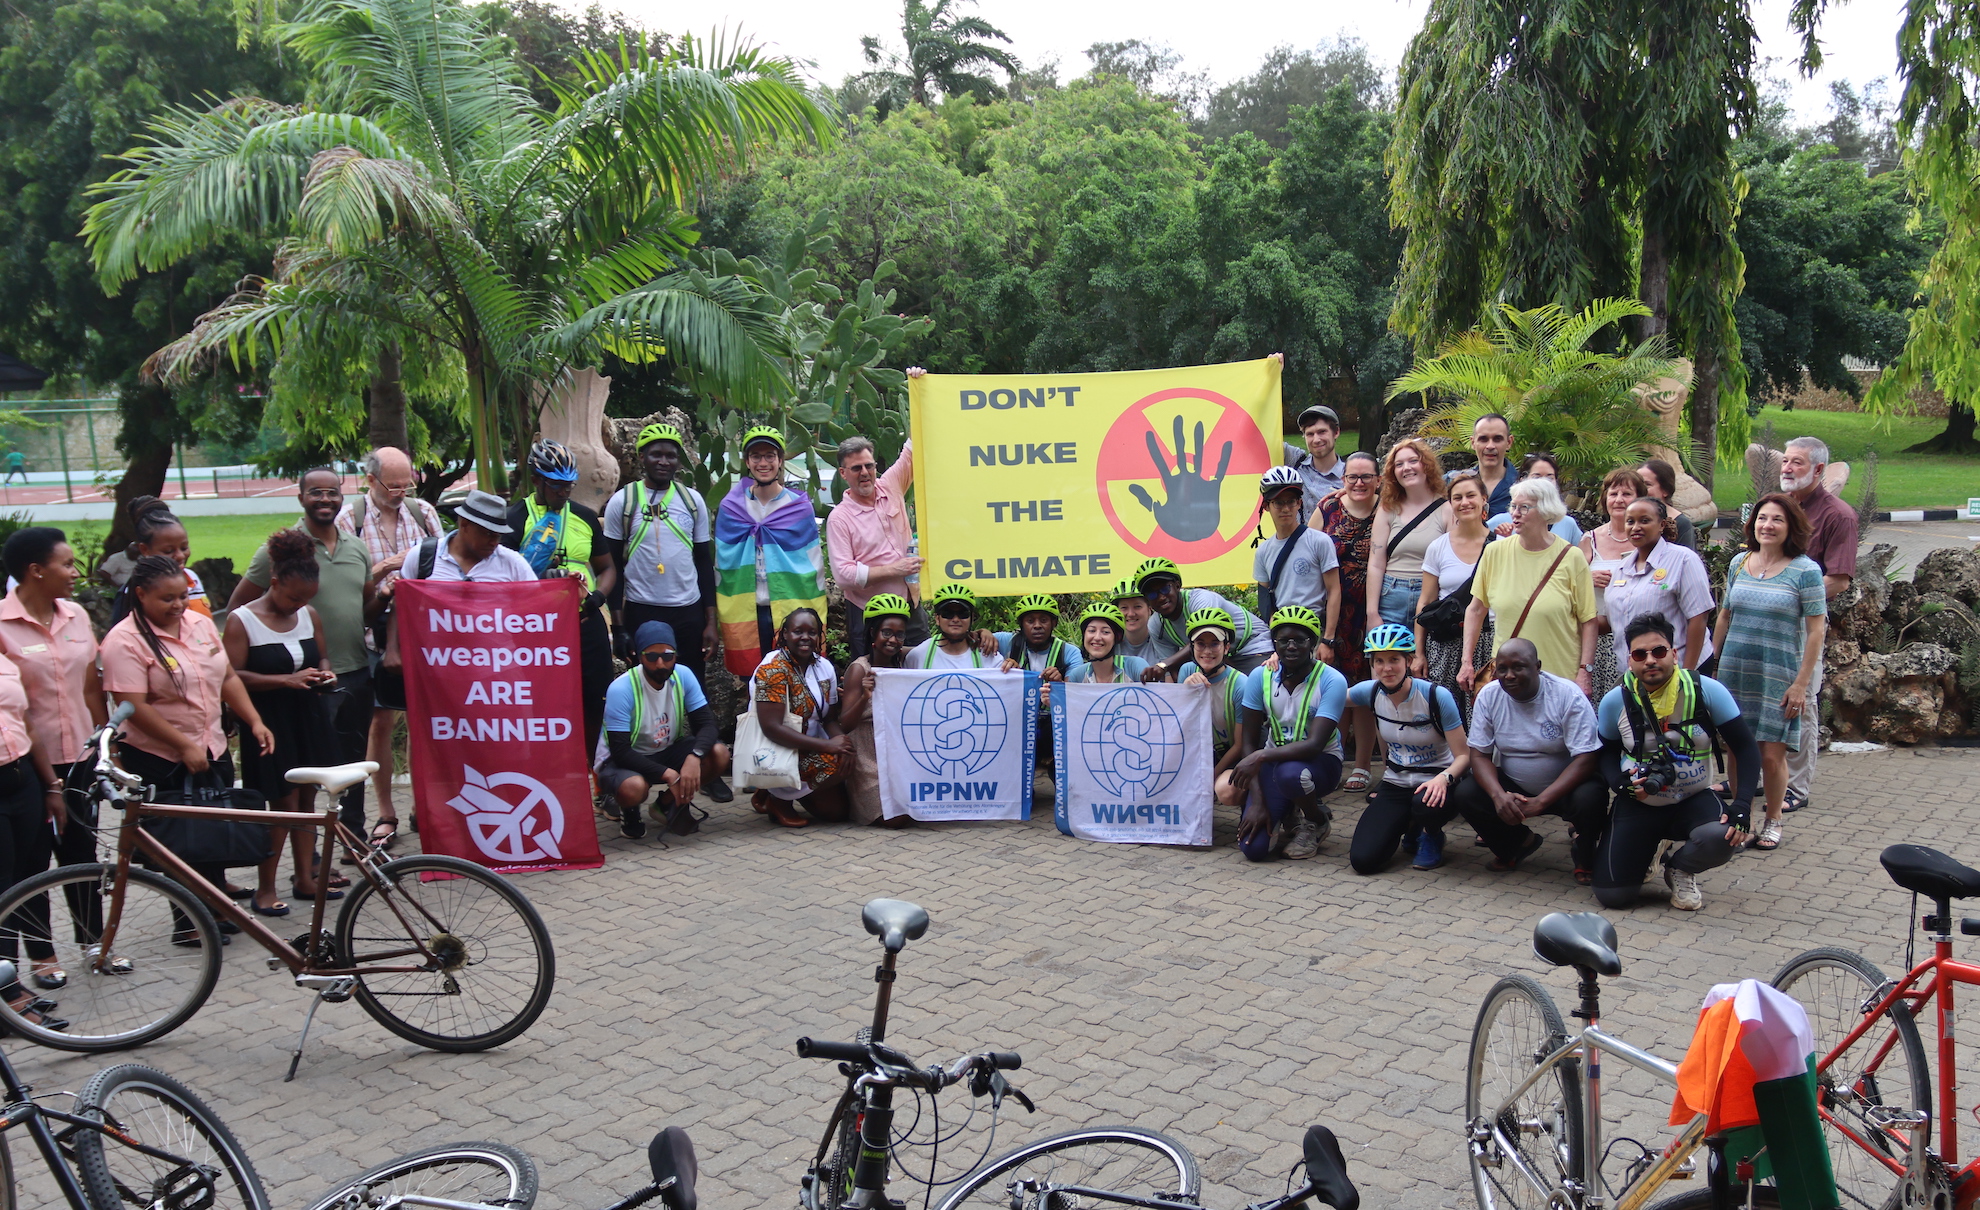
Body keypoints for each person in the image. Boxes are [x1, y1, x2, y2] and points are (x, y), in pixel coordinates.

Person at [101, 555, 276, 946]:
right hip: (160, 757)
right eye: (167, 599)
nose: (178, 605)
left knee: (213, 832)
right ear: (141, 594)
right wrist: (182, 745)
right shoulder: (124, 641)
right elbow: (134, 705)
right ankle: (189, 921)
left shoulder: (199, 624)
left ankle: (215, 908)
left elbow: (226, 675)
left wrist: (253, 721)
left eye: (182, 596)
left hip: (211, 747)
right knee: (181, 843)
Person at [227, 467, 378, 856]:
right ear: (301, 498)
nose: (325, 499)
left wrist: (388, 594)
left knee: (348, 769)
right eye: (316, 493)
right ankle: (305, 862)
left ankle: (350, 842)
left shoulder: (356, 546)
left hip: (351, 672)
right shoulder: (278, 552)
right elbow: (238, 607)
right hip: (294, 696)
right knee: (299, 785)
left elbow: (365, 607)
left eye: (333, 492)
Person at [1593, 615, 1759, 911]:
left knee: (1723, 835)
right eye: (1639, 654)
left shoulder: (1706, 691)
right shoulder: (1615, 701)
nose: (1650, 661)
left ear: (1674, 653)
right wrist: (1620, 785)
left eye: (1658, 651)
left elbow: (1745, 748)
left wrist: (1743, 805)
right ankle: (1650, 848)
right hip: (1640, 803)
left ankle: (1681, 868)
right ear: (1630, 661)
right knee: (1614, 897)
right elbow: (1604, 752)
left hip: (1693, 799)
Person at [223, 529, 341, 913]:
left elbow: (321, 657)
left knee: (307, 798)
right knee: (282, 803)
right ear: (273, 582)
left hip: (307, 716)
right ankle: (265, 888)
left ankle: (305, 878)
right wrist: (284, 680)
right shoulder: (242, 621)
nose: (299, 605)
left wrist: (326, 673)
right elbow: (231, 676)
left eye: (307, 598)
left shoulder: (307, 614)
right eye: (292, 597)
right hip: (268, 722)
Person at [337, 446, 446, 847]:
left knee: (422, 722)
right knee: (380, 723)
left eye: (407, 485)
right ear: (370, 481)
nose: (400, 492)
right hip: (371, 634)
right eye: (392, 486)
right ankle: (385, 812)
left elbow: (445, 562)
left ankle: (424, 804)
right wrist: (386, 568)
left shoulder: (423, 513)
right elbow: (345, 578)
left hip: (420, 634)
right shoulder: (350, 518)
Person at [1710, 493, 1827, 852]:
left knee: (1771, 755)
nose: (1768, 525)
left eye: (1777, 519)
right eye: (1762, 518)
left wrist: (1801, 684)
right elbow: (1725, 615)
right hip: (1734, 670)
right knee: (1734, 748)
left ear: (1791, 526)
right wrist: (1714, 669)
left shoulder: (1805, 570)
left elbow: (1816, 630)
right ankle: (1737, 816)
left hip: (1779, 675)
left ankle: (1773, 819)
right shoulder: (1739, 562)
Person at [0, 528, 107, 915]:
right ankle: (44, 958)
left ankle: (95, 945)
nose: (75, 571)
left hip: (80, 756)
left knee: (82, 855)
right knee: (32, 863)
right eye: (66, 564)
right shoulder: (1, 625)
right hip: (27, 764)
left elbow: (91, 688)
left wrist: (107, 740)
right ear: (36, 571)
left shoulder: (77, 615)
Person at [1450, 638, 1607, 883]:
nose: (1509, 675)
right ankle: (1517, 844)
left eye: (1518, 667)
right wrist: (1498, 796)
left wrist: (1542, 801)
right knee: (1467, 793)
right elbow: (1479, 755)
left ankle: (1585, 855)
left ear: (1538, 667)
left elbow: (1586, 758)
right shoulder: (1489, 696)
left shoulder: (1567, 695)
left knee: (1592, 796)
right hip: (1515, 785)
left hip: (1565, 787)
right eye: (1502, 668)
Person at [510, 440, 621, 774]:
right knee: (543, 705)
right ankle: (550, 774)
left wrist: (598, 598)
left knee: (595, 702)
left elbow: (607, 568)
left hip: (584, 622)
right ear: (537, 480)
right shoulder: (515, 519)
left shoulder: (584, 517)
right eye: (556, 486)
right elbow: (500, 575)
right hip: (537, 631)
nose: (563, 493)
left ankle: (599, 775)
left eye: (568, 486)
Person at [1345, 624, 1470, 873]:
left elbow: (1465, 756)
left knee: (1424, 803)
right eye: (1379, 661)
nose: (1386, 668)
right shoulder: (1369, 692)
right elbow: (1323, 690)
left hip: (1437, 784)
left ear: (1409, 661)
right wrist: (1277, 664)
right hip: (1396, 782)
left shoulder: (1436, 696)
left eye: (1394, 660)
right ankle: (1410, 825)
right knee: (1363, 860)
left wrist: (1443, 779)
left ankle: (1431, 834)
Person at [1461, 478, 1598, 701]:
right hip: (1509, 680)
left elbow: (1588, 620)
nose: (1515, 513)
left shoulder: (1571, 557)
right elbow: (1476, 610)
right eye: (1513, 506)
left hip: (1560, 679)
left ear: (1546, 511)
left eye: (1524, 507)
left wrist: (1585, 671)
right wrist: (1466, 662)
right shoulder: (1494, 552)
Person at [1230, 606, 1348, 861]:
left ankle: (1316, 821)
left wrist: (1260, 757)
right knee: (1254, 849)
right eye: (1284, 640)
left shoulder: (1331, 680)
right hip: (1273, 761)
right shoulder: (1260, 676)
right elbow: (1249, 743)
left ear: (1313, 643)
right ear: (1274, 643)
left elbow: (1315, 744)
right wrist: (1258, 801)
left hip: (1319, 764)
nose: (1291, 646)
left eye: (1299, 640)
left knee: (1291, 774)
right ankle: (1286, 811)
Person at [601, 424, 715, 688]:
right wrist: (619, 628)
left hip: (688, 610)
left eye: (671, 456)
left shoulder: (692, 501)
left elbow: (703, 562)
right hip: (642, 609)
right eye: (656, 455)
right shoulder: (623, 501)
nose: (664, 462)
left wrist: (711, 623)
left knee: (691, 683)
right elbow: (612, 565)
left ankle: (695, 730)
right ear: (642, 457)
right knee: (647, 685)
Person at [379, 490, 537, 675]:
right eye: (488, 534)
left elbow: (537, 608)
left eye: (499, 535)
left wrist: (567, 591)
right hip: (438, 670)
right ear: (464, 525)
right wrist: (392, 649)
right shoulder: (423, 556)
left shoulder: (512, 563)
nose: (494, 541)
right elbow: (400, 604)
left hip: (498, 672)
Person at [1779, 436, 1856, 814]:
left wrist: (1788, 597)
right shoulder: (1776, 507)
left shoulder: (1837, 515)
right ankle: (1761, 777)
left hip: (1802, 625)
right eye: (1786, 461)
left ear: (1819, 470)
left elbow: (1839, 579)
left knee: (1801, 702)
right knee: (1761, 699)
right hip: (1762, 622)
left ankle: (1796, 786)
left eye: (1797, 462)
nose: (1787, 468)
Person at [598, 621, 730, 841]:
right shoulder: (622, 688)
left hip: (665, 749)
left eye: (668, 656)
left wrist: (694, 757)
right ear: (639, 656)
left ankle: (666, 804)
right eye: (651, 657)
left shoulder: (683, 675)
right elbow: (620, 750)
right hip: (624, 759)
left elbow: (707, 724)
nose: (660, 664)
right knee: (634, 787)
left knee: (719, 753)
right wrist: (669, 775)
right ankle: (629, 811)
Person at [715, 426, 826, 674]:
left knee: (795, 675)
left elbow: (813, 563)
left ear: (780, 461)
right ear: (747, 461)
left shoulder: (798, 508)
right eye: (756, 456)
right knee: (752, 679)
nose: (763, 462)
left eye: (769, 456)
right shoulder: (731, 507)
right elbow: (723, 563)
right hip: (746, 608)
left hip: (791, 607)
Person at [0, 646, 70, 1032]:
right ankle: (7, 997)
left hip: (22, 777)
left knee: (28, 878)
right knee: (2, 890)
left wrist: (51, 785)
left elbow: (25, 723)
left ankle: (12, 985)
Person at [826, 435, 926, 660]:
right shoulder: (839, 518)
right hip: (868, 615)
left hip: (910, 606)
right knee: (872, 680)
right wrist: (895, 569)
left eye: (869, 466)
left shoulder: (891, 485)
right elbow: (843, 575)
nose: (864, 472)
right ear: (843, 473)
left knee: (923, 669)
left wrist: (925, 402)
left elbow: (913, 450)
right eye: (856, 468)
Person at [749, 607, 851, 828]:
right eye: (798, 631)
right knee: (833, 762)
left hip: (808, 747)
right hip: (774, 749)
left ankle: (775, 791)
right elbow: (771, 728)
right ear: (785, 634)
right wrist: (828, 747)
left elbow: (829, 719)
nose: (806, 637)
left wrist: (843, 745)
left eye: (812, 632)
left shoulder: (823, 667)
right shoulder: (772, 668)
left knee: (837, 812)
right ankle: (778, 800)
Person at [1603, 497, 1714, 671]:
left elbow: (1699, 617)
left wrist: (1689, 674)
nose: (1636, 527)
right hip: (1636, 672)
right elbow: (1612, 620)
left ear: (1662, 525)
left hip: (1678, 668)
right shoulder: (1621, 568)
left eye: (1644, 521)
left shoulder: (1683, 559)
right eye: (1630, 521)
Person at [1414, 471, 1493, 716]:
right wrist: (1419, 654)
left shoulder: (1500, 544)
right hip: (1446, 641)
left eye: (1471, 495)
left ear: (1483, 500)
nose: (1464, 502)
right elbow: (1425, 602)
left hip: (1489, 639)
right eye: (1457, 498)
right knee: (1444, 714)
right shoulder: (1438, 547)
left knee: (1484, 712)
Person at [839, 594, 914, 827]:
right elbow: (845, 724)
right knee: (896, 819)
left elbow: (936, 647)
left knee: (920, 809)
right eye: (887, 633)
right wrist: (864, 697)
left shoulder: (902, 660)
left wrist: (978, 635)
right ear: (873, 632)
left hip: (897, 756)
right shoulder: (859, 670)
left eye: (899, 634)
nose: (893, 640)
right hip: (867, 757)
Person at [1135, 558, 1273, 679]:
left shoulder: (1200, 600)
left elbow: (1203, 639)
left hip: (1252, 646)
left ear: (1177, 585)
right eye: (1152, 594)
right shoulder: (1156, 625)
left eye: (1165, 589)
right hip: (1220, 656)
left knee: (1252, 690)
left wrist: (1163, 665)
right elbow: (1173, 666)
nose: (1161, 597)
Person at [1365, 439, 1449, 630]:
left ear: (1426, 465)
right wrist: (1372, 613)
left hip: (1430, 598)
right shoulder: (1388, 509)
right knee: (1388, 658)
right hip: (1391, 596)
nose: (1406, 468)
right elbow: (1376, 564)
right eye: (1399, 464)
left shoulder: (1446, 509)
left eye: (1413, 461)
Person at [1315, 450, 1380, 694]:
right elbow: (1308, 551)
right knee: (1334, 687)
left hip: (1374, 612)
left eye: (1366, 477)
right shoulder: (1328, 506)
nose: (1359, 483)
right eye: (1352, 477)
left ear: (1379, 480)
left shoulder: (1390, 507)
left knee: (1369, 687)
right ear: (1343, 480)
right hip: (1334, 613)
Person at [1579, 468, 1645, 701]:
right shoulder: (1590, 539)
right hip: (1595, 640)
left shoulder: (1648, 540)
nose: (1618, 499)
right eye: (1613, 493)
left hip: (1637, 640)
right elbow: (1566, 583)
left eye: (1626, 493)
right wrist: (1587, 579)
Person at [1253, 468, 1341, 643]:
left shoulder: (1319, 541)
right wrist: (1275, 638)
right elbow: (1265, 599)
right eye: (1278, 503)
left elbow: (1334, 590)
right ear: (1266, 506)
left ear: (1299, 503)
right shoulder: (1263, 551)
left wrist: (1328, 639)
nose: (1286, 509)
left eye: (1291, 502)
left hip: (1314, 631)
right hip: (1283, 634)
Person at [1177, 608, 1249, 817]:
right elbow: (1177, 727)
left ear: (1226, 647)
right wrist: (1185, 692)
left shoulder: (1239, 684)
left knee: (1226, 790)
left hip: (1231, 755)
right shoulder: (1186, 671)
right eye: (1201, 644)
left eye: (1214, 644)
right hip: (1200, 754)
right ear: (1192, 647)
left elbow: (1239, 745)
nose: (1207, 651)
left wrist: (1210, 777)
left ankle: (1254, 800)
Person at [108, 497, 211, 624]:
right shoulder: (132, 592)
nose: (180, 556)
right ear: (145, 550)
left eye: (184, 547)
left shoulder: (192, 578)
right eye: (168, 551)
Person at [1488, 452, 1582, 543]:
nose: (1544, 483)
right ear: (1522, 480)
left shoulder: (1568, 524)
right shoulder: (1499, 522)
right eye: (1537, 477)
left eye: (1550, 478)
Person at [1281, 404, 1346, 521]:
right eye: (1310, 434)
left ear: (1336, 432)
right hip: (1298, 538)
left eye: (1322, 432)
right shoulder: (1294, 461)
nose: (1316, 440)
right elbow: (1260, 439)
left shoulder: (1350, 477)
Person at [1066, 602, 1148, 684]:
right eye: (1091, 631)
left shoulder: (1134, 666)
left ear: (1117, 637)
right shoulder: (1077, 676)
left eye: (1105, 632)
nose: (1097, 637)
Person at [1451, 413, 1514, 519]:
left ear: (1509, 442)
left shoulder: (1524, 486)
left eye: (1497, 439)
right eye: (1483, 439)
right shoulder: (1452, 482)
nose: (1490, 446)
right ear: (1473, 442)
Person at [1638, 459, 1698, 550]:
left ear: (1665, 490)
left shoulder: (1681, 524)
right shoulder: (1623, 518)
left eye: (1647, 484)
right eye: (1637, 484)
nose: (1640, 489)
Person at [1111, 579, 1161, 665]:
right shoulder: (1110, 642)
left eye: (1137, 606)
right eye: (1124, 608)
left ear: (1150, 609)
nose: (1131, 614)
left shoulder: (1163, 639)